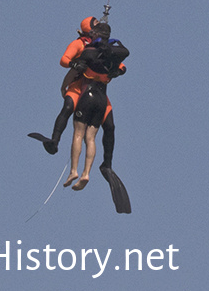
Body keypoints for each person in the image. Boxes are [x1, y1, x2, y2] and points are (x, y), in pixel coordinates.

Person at [28, 17, 132, 212]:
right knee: (68, 108)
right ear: (89, 31)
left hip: (93, 90)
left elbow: (120, 66)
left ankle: (104, 166)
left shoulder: (94, 50)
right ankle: (55, 141)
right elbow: (65, 60)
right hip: (80, 87)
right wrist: (76, 66)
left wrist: (118, 69)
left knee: (107, 127)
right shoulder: (81, 45)